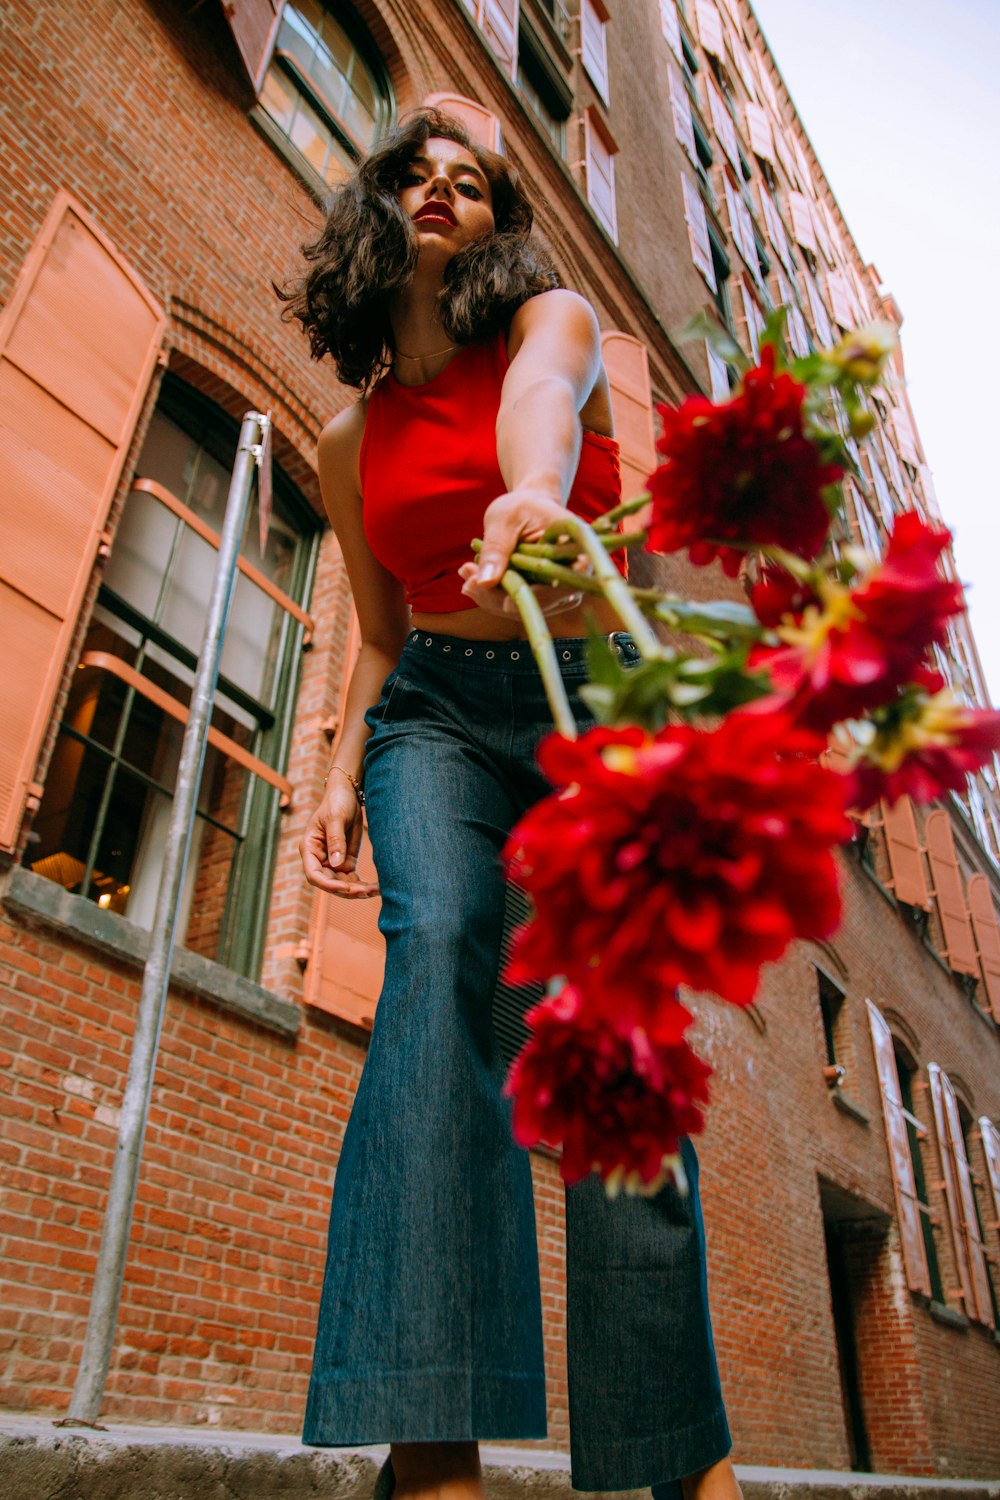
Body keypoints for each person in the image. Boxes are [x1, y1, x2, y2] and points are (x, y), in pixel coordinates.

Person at [284, 108, 739, 1500]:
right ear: (378, 208)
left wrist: (533, 493)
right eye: (416, 173)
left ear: (495, 223)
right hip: (433, 719)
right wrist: (331, 767)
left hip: (579, 702)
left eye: (472, 182)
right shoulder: (350, 437)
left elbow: (543, 404)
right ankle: (434, 1447)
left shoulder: (551, 318)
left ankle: (680, 1460)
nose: (442, 193)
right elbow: (374, 630)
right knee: (437, 971)